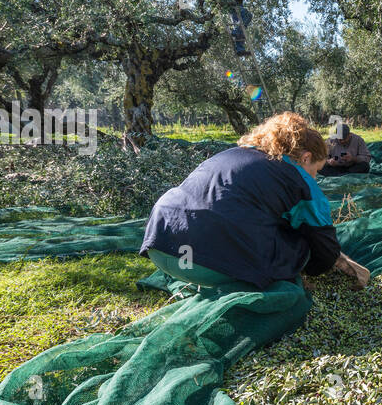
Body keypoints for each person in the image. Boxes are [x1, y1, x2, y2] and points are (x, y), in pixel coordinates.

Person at [140, 111, 369, 291]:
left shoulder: (231, 154)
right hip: (203, 264)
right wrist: (329, 263)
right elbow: (324, 249)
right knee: (300, 243)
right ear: (306, 157)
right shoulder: (299, 180)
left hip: (161, 247)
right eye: (316, 170)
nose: (314, 177)